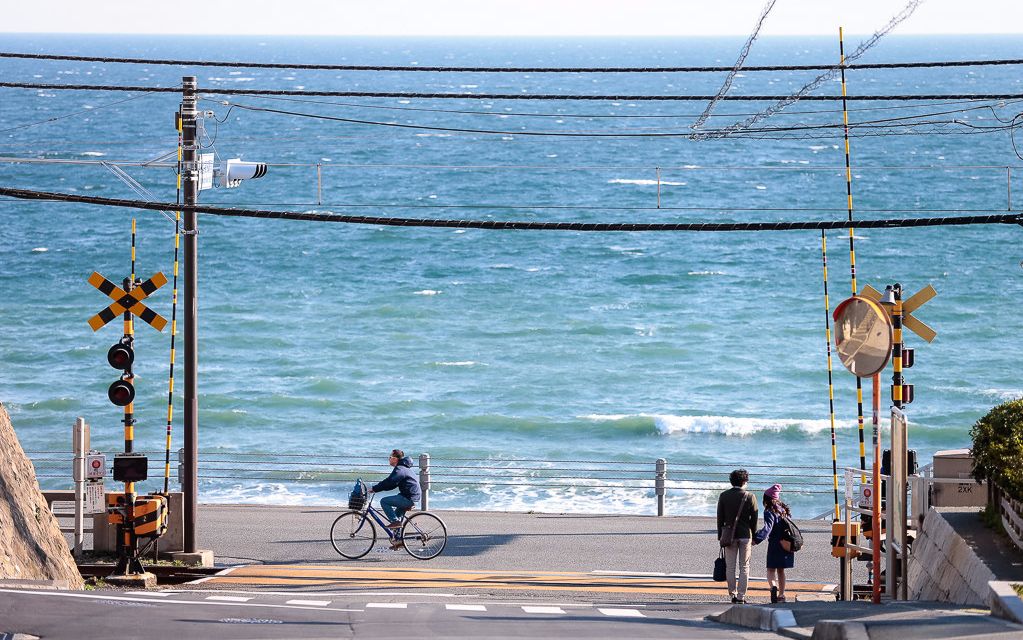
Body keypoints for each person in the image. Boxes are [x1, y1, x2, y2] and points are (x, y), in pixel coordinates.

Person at [716, 469, 759, 604]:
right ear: (744, 481)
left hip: (729, 536)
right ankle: (741, 596)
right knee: (744, 567)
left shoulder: (724, 496)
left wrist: (720, 536)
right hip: (746, 535)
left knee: (730, 567)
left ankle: (732, 595)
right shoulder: (750, 496)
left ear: (731, 481)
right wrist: (754, 534)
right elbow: (755, 518)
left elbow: (720, 518)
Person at [368, 449, 422, 549]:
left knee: (384, 501)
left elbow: (390, 482)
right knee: (397, 517)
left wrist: (375, 489)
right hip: (411, 497)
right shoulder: (403, 468)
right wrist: (377, 489)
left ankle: (396, 524)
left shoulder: (400, 469)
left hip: (408, 498)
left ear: (396, 459)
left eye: (390, 457)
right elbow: (392, 484)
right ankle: (398, 541)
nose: (389, 459)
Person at [753, 483, 794, 603]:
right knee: (781, 571)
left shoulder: (769, 511)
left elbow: (767, 528)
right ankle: (781, 595)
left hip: (775, 544)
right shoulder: (784, 509)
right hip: (786, 543)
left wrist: (756, 539)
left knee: (771, 570)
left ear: (766, 499)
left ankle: (773, 587)